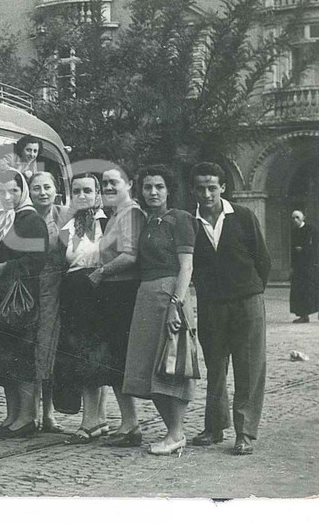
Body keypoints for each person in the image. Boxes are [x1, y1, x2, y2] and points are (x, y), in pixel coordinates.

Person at [190, 162, 270, 456]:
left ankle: (245, 432)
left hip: (247, 301)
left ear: (223, 187)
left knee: (248, 367)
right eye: (201, 188)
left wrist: (251, 291)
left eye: (212, 187)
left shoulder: (243, 216)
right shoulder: (192, 223)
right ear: (193, 190)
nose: (207, 193)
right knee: (215, 365)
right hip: (211, 305)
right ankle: (214, 427)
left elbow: (262, 259)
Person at [122, 165, 196, 455]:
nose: (153, 192)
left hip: (170, 295)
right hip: (146, 297)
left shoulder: (180, 219)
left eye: (159, 187)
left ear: (168, 190)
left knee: (171, 366)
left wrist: (176, 306)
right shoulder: (147, 222)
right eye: (148, 187)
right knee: (149, 368)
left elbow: (186, 266)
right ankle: (172, 432)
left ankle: (176, 433)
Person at [0, 170, 49, 439]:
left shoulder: (32, 221)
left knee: (20, 357)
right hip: (0, 296)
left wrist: (5, 267)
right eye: (3, 191)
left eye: (14, 191)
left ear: (23, 192)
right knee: (4, 358)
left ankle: (26, 417)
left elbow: (36, 260)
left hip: (20, 298)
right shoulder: (1, 219)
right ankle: (11, 416)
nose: (8, 196)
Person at [90, 165, 145, 447]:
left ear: (129, 184)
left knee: (121, 359)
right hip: (113, 292)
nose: (108, 188)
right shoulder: (116, 215)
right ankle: (128, 422)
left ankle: (131, 423)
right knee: (115, 360)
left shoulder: (131, 213)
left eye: (114, 182)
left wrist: (101, 272)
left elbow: (129, 256)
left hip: (123, 292)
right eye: (105, 183)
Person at [53, 172, 108, 443]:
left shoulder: (106, 223)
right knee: (77, 353)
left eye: (88, 191)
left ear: (97, 194)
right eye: (77, 191)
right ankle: (97, 418)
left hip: (98, 291)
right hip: (73, 292)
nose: (82, 196)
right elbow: (58, 258)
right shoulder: (69, 225)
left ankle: (92, 420)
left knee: (93, 354)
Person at [28, 171, 67, 433]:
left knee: (51, 348)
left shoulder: (64, 217)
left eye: (47, 187)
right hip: (30, 288)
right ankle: (30, 412)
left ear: (55, 190)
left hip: (57, 289)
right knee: (29, 347)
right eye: (36, 188)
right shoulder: (25, 219)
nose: (42, 192)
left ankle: (49, 412)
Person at [290, 210, 319, 323]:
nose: (295, 220)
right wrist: (292, 266)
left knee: (313, 289)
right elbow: (292, 250)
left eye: (297, 217)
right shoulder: (294, 232)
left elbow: (316, 247)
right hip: (299, 267)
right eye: (293, 218)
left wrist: (303, 250)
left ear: (303, 217)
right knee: (299, 291)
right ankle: (303, 315)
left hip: (311, 266)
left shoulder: (311, 230)